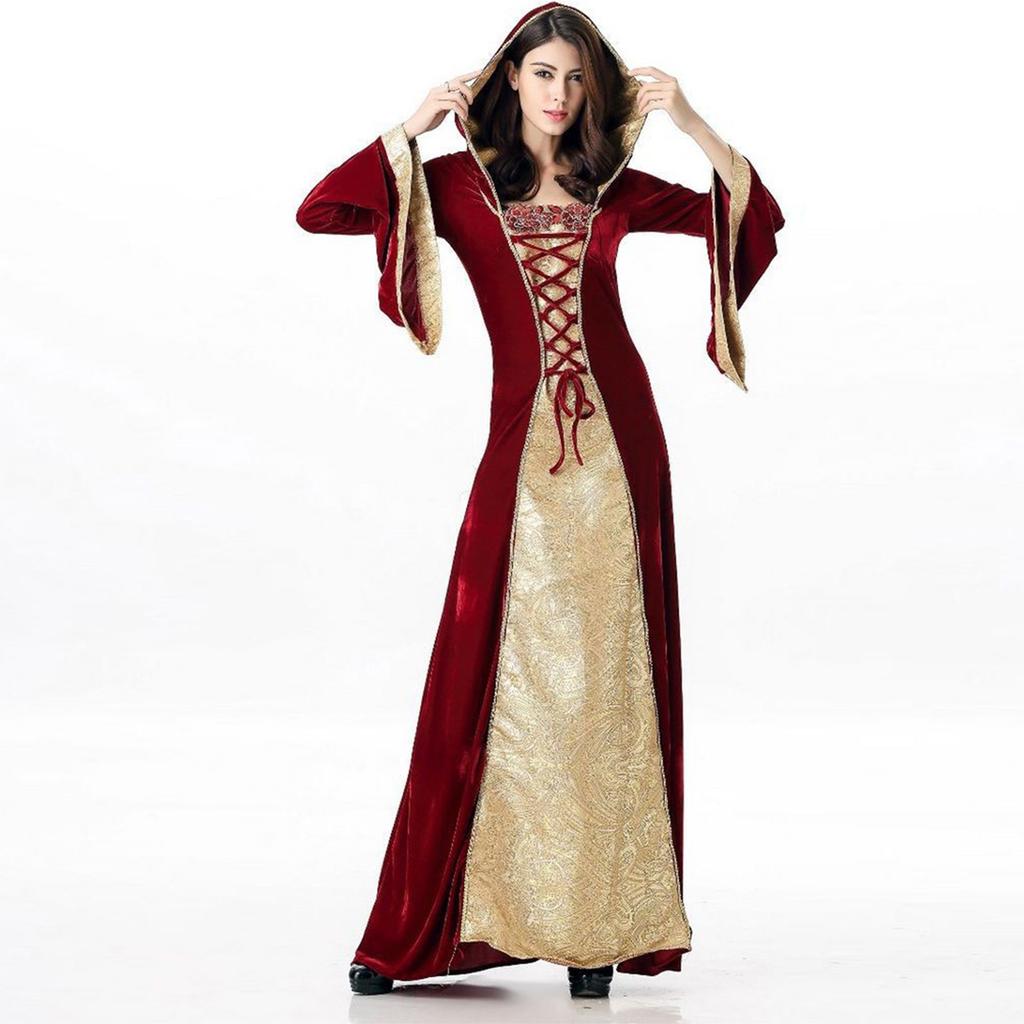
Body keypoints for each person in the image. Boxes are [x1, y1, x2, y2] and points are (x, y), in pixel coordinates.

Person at [295, 1, 784, 1000]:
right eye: (543, 74)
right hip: (520, 452)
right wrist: (409, 126)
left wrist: (688, 119)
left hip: (621, 453)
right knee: (482, 676)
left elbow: (744, 217)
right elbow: (323, 209)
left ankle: (595, 929)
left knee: (605, 681)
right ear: (509, 78)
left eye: (575, 78)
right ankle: (426, 930)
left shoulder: (613, 186)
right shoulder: (455, 185)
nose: (559, 95)